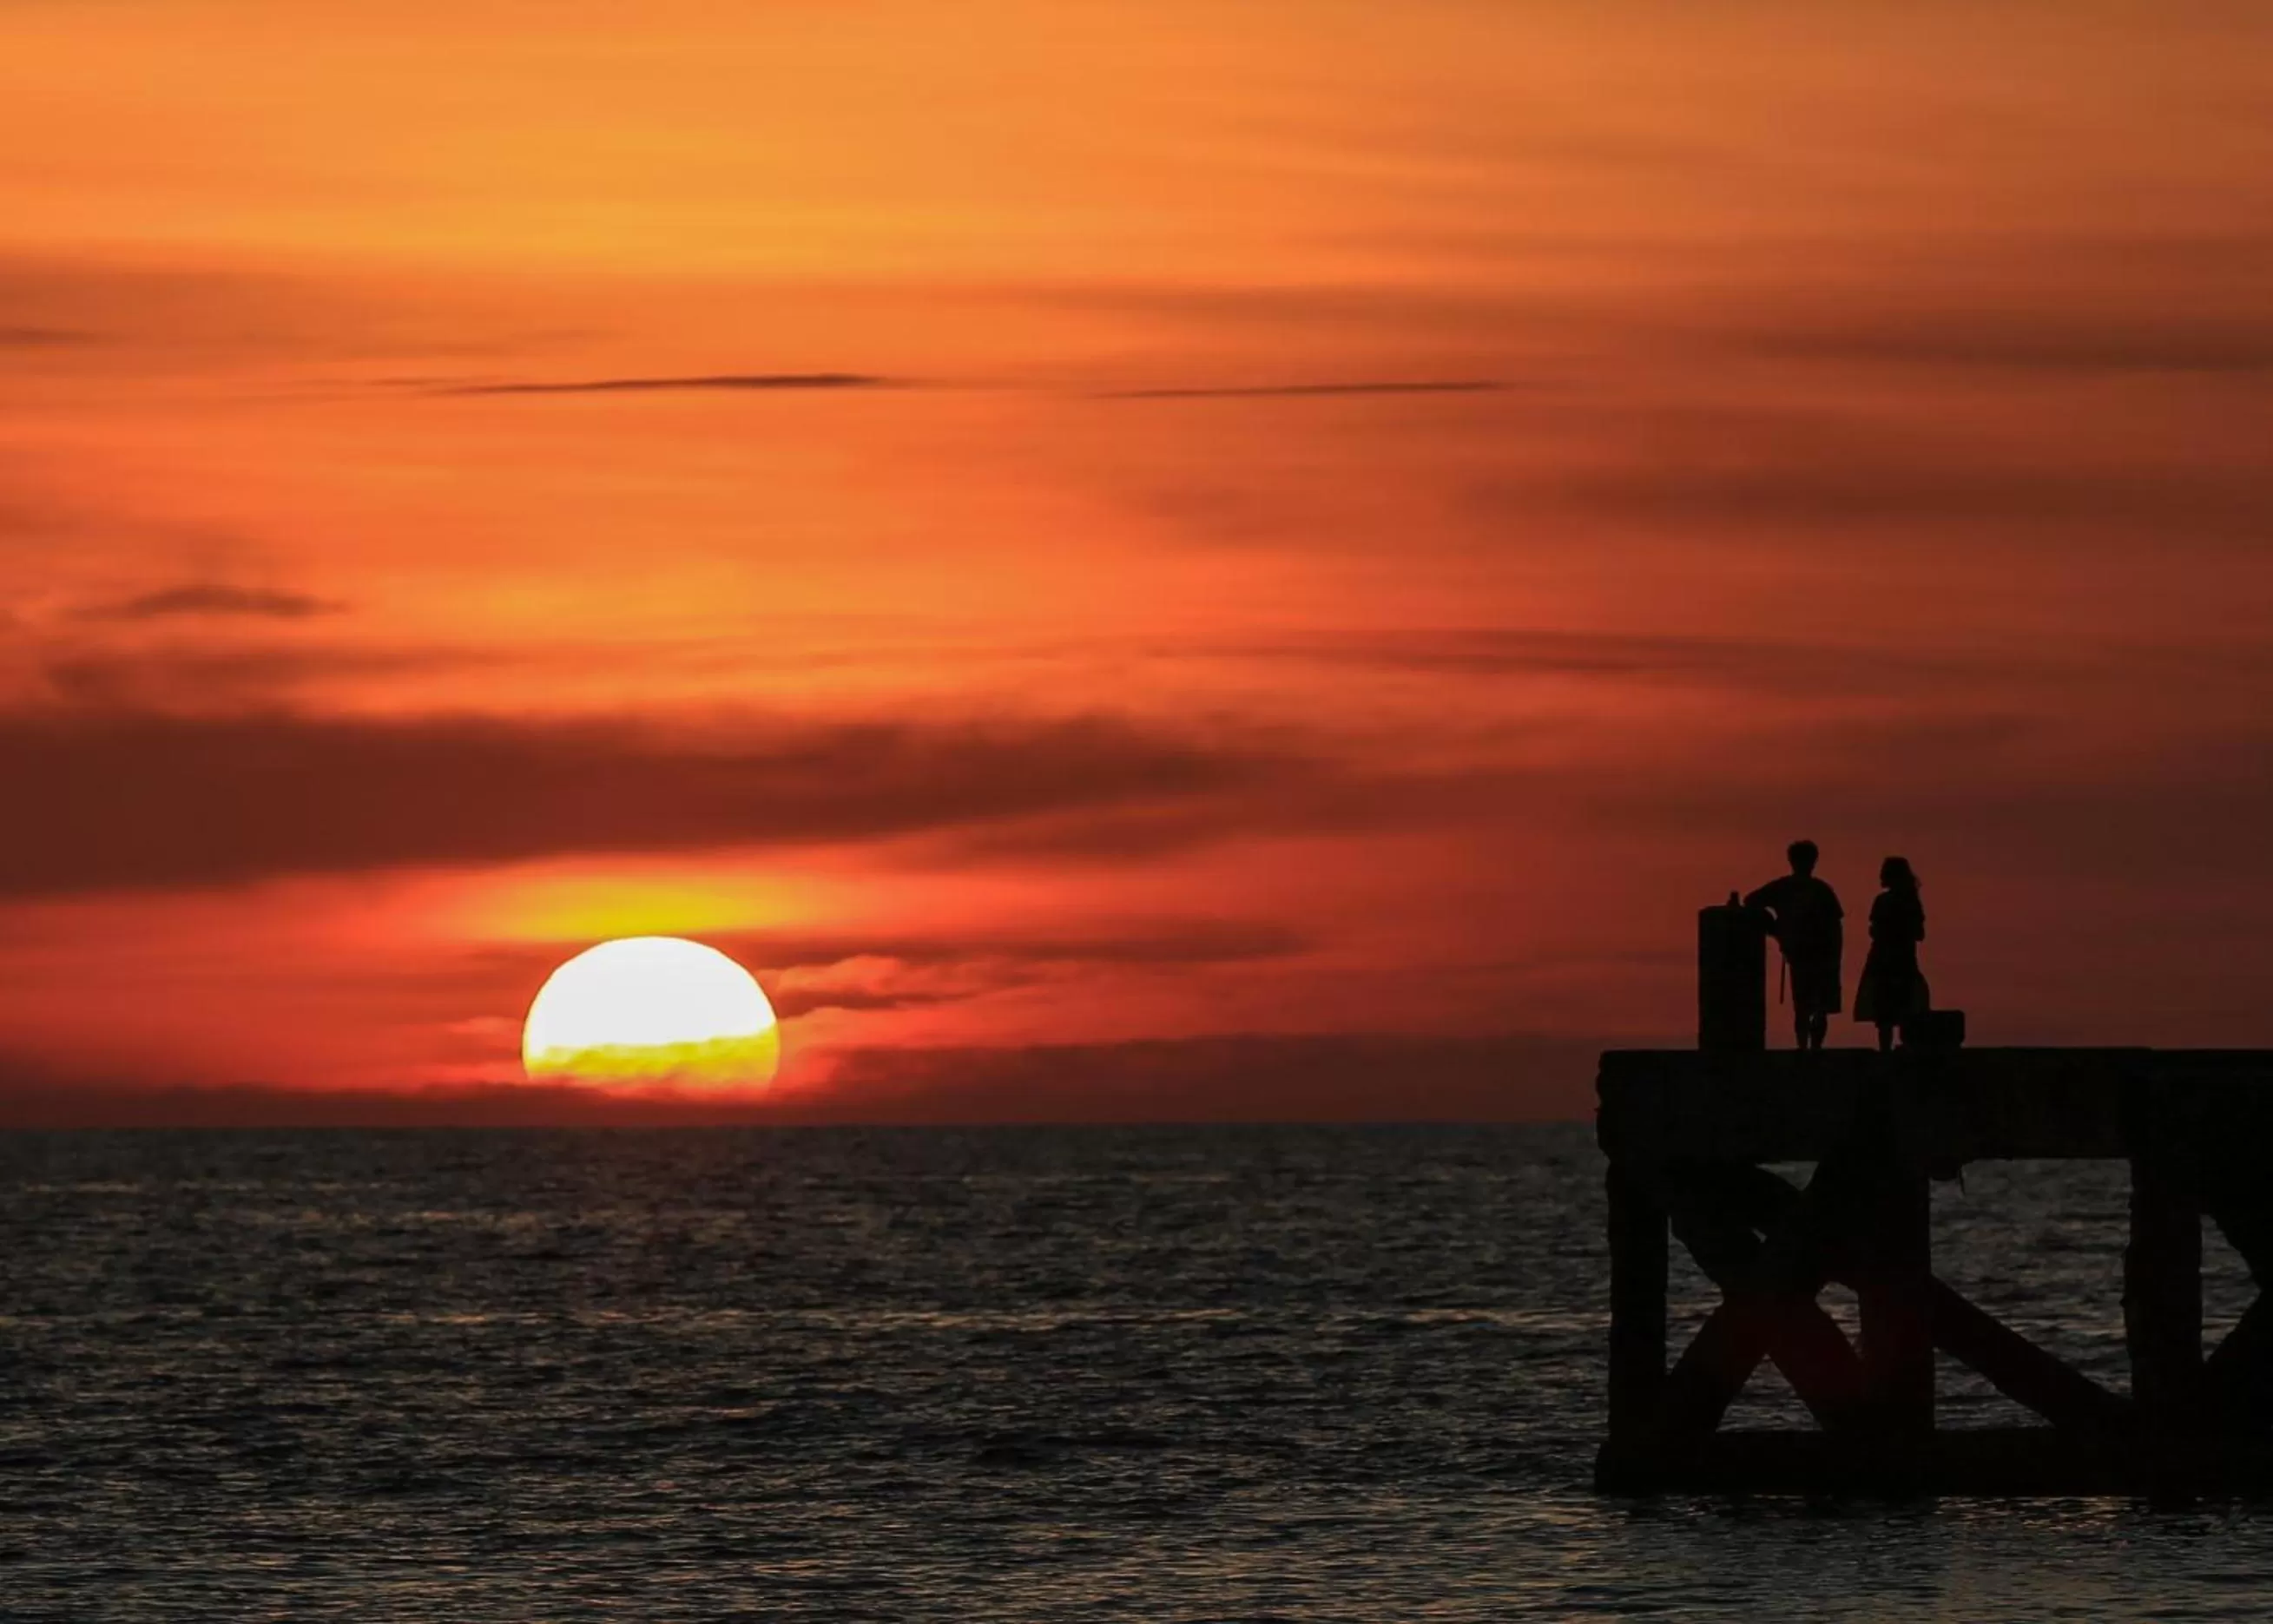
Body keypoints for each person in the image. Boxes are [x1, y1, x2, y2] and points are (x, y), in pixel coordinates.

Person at [1744, 838, 1843, 1050]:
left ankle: (1804, 1047)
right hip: (1815, 954)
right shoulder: (1820, 889)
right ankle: (1812, 1047)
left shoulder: (1784, 887)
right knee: (1817, 1005)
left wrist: (1775, 929)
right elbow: (1836, 925)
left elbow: (1750, 901)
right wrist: (1775, 929)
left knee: (1805, 1004)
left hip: (1804, 953)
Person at [1855, 856, 1927, 1052]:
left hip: (1884, 961)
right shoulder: (1912, 902)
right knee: (1904, 1008)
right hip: (1904, 961)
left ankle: (1885, 1051)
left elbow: (1874, 931)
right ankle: (1903, 1049)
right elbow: (1920, 934)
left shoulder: (1883, 901)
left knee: (1885, 1013)